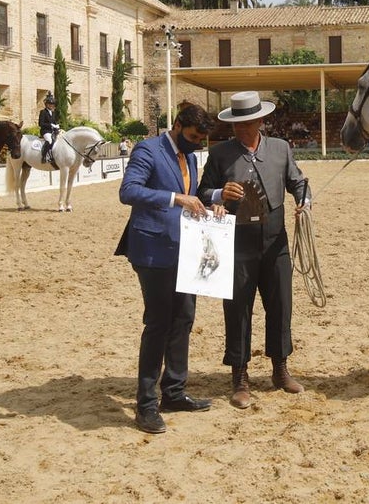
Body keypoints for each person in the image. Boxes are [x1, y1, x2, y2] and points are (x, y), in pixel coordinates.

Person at [197, 90, 311, 410]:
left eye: (247, 124)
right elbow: (202, 192)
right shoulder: (219, 155)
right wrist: (219, 194)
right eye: (236, 125)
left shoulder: (281, 149)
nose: (241, 130)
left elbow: (298, 182)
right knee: (237, 309)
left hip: (276, 242)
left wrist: (304, 199)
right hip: (236, 243)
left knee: (280, 305)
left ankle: (280, 369)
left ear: (260, 121)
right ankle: (240, 376)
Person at [116, 104, 217, 434]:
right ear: (177, 125)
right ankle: (146, 404)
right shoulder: (149, 149)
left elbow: (193, 193)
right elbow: (129, 191)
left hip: (184, 248)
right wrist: (175, 199)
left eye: (202, 139)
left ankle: (174, 392)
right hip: (152, 250)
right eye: (192, 137)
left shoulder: (188, 155)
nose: (197, 144)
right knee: (158, 324)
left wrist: (212, 198)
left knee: (184, 318)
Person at [38, 94, 59, 164]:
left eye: (52, 104)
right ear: (46, 104)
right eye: (49, 104)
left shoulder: (53, 113)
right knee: (50, 141)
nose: (51, 105)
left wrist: (57, 126)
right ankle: (44, 157)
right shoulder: (43, 112)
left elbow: (55, 122)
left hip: (53, 131)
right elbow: (40, 124)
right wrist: (50, 125)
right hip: (45, 131)